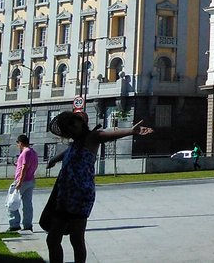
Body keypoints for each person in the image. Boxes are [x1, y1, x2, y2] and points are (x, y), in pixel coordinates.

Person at [44, 111, 154, 263]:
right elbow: (67, 152)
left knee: (76, 238)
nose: (73, 126)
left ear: (80, 122)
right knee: (53, 239)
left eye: (74, 121)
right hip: (64, 195)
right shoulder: (75, 143)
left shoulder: (92, 137)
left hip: (80, 196)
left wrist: (130, 131)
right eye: (68, 125)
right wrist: (54, 159)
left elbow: (106, 135)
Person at [8, 134, 38, 231]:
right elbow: (31, 165)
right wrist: (17, 165)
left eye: (18, 144)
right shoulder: (33, 152)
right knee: (27, 204)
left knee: (12, 202)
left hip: (22, 180)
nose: (17, 146)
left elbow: (25, 166)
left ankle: (14, 223)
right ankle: (28, 225)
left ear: (20, 143)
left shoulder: (26, 152)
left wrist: (20, 181)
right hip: (30, 180)